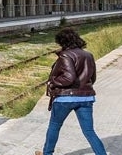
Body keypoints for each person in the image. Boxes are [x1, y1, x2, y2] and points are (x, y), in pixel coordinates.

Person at [40, 27, 106, 155]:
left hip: (66, 98)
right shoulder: (88, 55)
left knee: (54, 126)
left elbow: (69, 78)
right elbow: (93, 78)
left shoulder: (66, 55)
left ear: (62, 42)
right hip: (86, 98)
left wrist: (53, 81)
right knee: (89, 131)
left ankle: (47, 153)